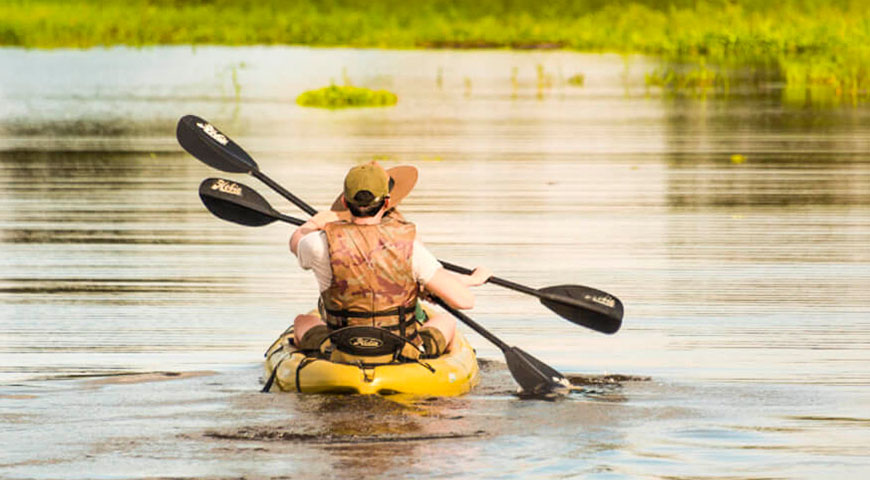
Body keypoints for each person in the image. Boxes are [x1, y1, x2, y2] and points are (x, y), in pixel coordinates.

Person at [289, 162, 491, 358]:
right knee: (447, 320)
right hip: (401, 349)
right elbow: (465, 301)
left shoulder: (317, 244)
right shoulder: (410, 247)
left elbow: (296, 241)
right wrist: (433, 287)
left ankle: (315, 362)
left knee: (302, 321)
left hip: (340, 347)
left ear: (344, 202)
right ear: (386, 202)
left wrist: (316, 221)